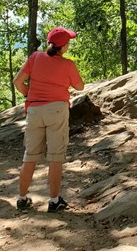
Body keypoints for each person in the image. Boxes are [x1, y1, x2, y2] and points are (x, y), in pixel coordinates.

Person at [13, 27, 84, 213]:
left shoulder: (35, 57)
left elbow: (17, 82)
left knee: (30, 156)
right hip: (57, 110)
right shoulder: (68, 64)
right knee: (55, 157)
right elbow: (80, 86)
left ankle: (21, 199)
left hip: (34, 110)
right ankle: (54, 201)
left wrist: (31, 95)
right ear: (64, 46)